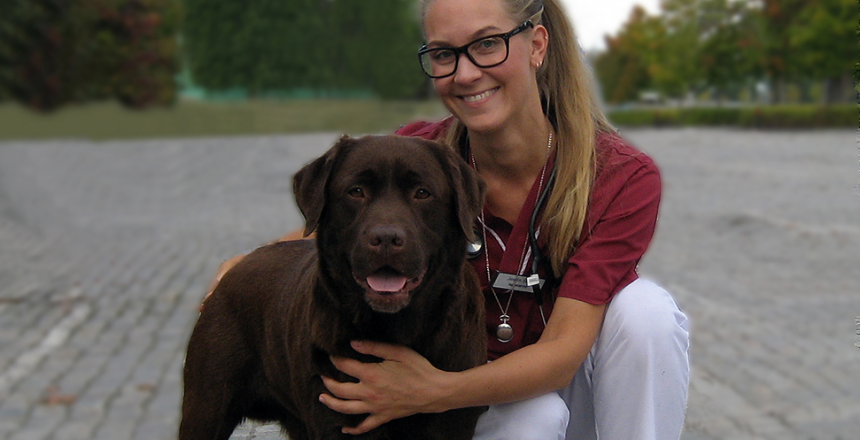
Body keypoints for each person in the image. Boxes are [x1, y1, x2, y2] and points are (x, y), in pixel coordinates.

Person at [205, 0, 690, 438]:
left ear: (537, 45)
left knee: (645, 312)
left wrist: (429, 391)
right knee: (531, 420)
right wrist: (248, 263)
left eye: (486, 45)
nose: (465, 73)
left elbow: (564, 350)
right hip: (482, 400)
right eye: (443, 54)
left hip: (555, 382)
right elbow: (349, 222)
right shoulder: (420, 153)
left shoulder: (620, 176)